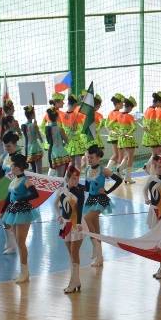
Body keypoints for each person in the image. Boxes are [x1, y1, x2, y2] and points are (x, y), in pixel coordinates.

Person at [1, 153, 40, 283]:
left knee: (21, 242)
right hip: (13, 211)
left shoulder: (25, 180)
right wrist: (2, 211)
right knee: (18, 242)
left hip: (23, 212)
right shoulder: (13, 181)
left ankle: (25, 272)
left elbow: (35, 194)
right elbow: (8, 197)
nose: (10, 167)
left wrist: (21, 199)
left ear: (18, 167)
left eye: (12, 165)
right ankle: (23, 272)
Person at [83, 145, 124, 267]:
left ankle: (97, 251)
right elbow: (87, 188)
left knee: (87, 219)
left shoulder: (103, 170)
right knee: (95, 228)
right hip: (91, 199)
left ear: (98, 158)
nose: (89, 160)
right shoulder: (87, 169)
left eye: (92, 157)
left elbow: (119, 180)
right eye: (88, 157)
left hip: (101, 199)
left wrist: (107, 191)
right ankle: (99, 255)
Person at [55, 165, 86, 293]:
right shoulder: (61, 190)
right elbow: (55, 204)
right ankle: (76, 281)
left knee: (74, 253)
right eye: (73, 178)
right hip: (65, 225)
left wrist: (78, 223)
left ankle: (73, 283)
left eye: (77, 178)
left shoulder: (80, 191)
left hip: (76, 224)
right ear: (67, 178)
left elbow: (80, 208)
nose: (76, 181)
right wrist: (59, 216)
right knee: (71, 255)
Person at [117, 97, 138, 184]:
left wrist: (121, 133)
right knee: (130, 157)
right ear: (129, 107)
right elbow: (134, 127)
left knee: (127, 155)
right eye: (132, 108)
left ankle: (120, 168)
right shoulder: (129, 116)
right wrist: (128, 132)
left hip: (121, 138)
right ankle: (127, 177)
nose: (131, 110)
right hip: (128, 138)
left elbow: (113, 126)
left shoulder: (119, 115)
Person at [45, 108, 70, 178]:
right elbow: (67, 141)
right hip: (61, 152)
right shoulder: (60, 129)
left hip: (51, 152)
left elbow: (48, 141)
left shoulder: (47, 128)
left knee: (51, 173)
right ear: (57, 117)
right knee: (60, 176)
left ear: (49, 117)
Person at [22, 105, 44, 173]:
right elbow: (39, 137)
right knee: (39, 169)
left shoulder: (24, 125)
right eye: (34, 113)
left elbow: (26, 137)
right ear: (32, 115)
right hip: (35, 147)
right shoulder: (34, 125)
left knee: (33, 168)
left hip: (29, 148)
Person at [105, 94, 124, 170]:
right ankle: (118, 171)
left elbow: (106, 125)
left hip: (112, 136)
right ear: (118, 104)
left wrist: (109, 131)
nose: (123, 105)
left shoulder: (110, 113)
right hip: (118, 136)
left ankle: (107, 169)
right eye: (122, 103)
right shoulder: (119, 114)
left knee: (116, 154)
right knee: (121, 155)